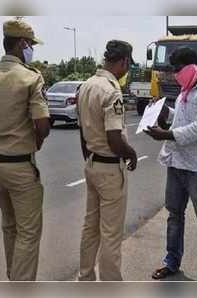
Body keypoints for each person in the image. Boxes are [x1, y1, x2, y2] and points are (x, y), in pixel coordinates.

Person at [0, 19, 50, 281]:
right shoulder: (31, 77)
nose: (32, 50)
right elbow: (43, 125)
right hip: (20, 167)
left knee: (10, 227)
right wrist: (35, 144)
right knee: (28, 231)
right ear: (22, 43)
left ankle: (12, 277)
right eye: (31, 45)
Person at [145, 47, 197, 281]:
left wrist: (166, 135)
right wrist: (161, 112)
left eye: (178, 69)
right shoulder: (184, 92)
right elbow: (178, 119)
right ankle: (171, 262)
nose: (175, 74)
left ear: (191, 67)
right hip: (176, 163)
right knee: (174, 215)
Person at [77, 40, 138, 281]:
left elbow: (82, 132)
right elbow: (114, 139)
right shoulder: (111, 91)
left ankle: (85, 279)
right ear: (123, 61)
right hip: (110, 170)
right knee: (111, 234)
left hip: (92, 164)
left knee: (90, 227)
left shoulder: (86, 86)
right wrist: (131, 153)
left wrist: (90, 159)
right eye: (127, 65)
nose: (127, 70)